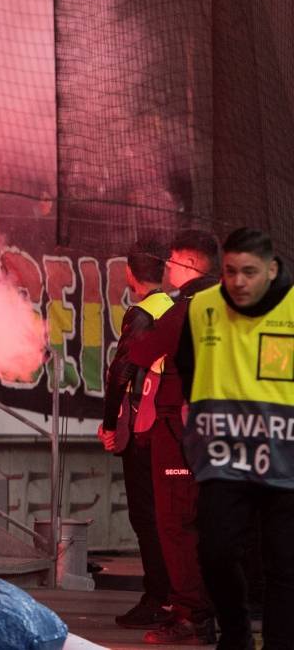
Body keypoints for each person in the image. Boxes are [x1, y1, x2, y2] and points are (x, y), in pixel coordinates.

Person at [124, 228, 291, 650]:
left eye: (172, 263)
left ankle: (193, 614)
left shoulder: (194, 307)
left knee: (180, 524)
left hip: (192, 432)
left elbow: (142, 352)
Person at [100, 238, 183, 631]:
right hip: (177, 428)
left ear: (130, 275)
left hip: (146, 430)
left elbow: (121, 372)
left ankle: (158, 598)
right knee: (173, 518)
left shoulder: (141, 313)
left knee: (146, 517)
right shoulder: (175, 307)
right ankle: (179, 598)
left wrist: (109, 423)